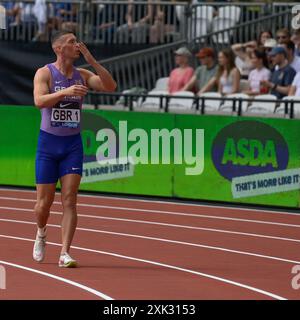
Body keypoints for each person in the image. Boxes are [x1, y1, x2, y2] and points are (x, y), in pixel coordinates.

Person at [32, 30, 117, 267]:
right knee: (43, 205)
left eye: (76, 41)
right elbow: (39, 101)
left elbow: (110, 86)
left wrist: (92, 61)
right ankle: (41, 232)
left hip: (72, 145)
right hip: (48, 144)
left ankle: (65, 252)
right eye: (71, 42)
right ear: (58, 48)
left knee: (69, 199)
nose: (76, 45)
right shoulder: (45, 73)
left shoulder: (82, 74)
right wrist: (66, 93)